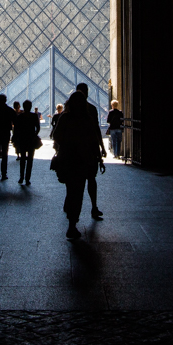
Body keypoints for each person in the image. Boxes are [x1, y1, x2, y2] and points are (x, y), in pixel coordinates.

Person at [52, 91, 104, 239]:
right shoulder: (87, 119)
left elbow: (56, 136)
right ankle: (72, 223)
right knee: (79, 191)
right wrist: (99, 158)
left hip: (68, 159)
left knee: (71, 189)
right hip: (82, 160)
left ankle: (71, 219)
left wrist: (66, 144)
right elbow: (94, 142)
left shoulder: (65, 118)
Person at [75, 83, 106, 219]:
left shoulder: (69, 111)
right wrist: (101, 148)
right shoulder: (92, 109)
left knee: (75, 183)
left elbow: (60, 135)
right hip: (90, 150)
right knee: (91, 180)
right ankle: (93, 207)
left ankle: (72, 215)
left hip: (75, 151)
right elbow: (96, 131)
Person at [12, 98, 41, 184]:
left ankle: (21, 177)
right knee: (30, 160)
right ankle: (27, 178)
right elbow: (38, 128)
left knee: (22, 159)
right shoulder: (34, 116)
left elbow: (16, 128)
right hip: (31, 139)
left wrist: (16, 137)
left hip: (22, 139)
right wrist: (35, 135)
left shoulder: (20, 116)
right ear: (31, 107)